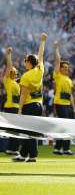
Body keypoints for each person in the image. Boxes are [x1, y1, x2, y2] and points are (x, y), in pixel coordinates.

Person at [13, 32, 48, 162]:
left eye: (25, 61)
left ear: (29, 62)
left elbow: (23, 94)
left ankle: (30, 155)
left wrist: (20, 109)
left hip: (29, 105)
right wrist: (43, 41)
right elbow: (41, 55)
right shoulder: (40, 69)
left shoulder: (26, 76)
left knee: (28, 132)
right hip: (39, 105)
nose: (24, 62)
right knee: (31, 131)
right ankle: (27, 155)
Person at [52, 42, 75, 155]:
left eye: (68, 67)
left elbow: (70, 94)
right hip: (59, 103)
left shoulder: (69, 80)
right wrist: (56, 49)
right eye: (65, 67)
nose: (67, 69)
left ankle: (58, 148)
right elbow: (58, 61)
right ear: (60, 69)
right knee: (66, 126)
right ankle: (66, 149)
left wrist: (74, 107)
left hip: (67, 105)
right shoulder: (58, 76)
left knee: (64, 126)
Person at [2, 47, 21, 156]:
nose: (13, 72)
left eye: (15, 72)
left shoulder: (16, 83)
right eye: (12, 72)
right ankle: (12, 149)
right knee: (14, 130)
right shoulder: (7, 81)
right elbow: (9, 66)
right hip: (10, 107)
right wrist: (8, 55)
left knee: (14, 130)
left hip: (16, 107)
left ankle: (11, 149)